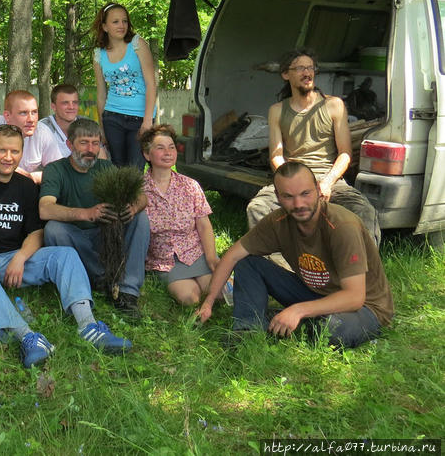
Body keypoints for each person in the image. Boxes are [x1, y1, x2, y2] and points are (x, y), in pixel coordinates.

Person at [0, 124, 132, 367]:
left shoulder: (25, 186)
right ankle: (27, 337)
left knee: (65, 255)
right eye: (2, 150)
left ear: (21, 154)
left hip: (13, 258)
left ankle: (88, 326)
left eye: (14, 151)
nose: (8, 157)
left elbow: (36, 232)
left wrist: (21, 257)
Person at [197, 162, 394, 349]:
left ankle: (291, 320)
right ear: (277, 196)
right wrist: (209, 302)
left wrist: (298, 310)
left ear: (318, 189)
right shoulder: (278, 222)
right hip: (315, 292)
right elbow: (233, 255)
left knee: (331, 331)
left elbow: (354, 297)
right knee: (248, 262)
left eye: (305, 193)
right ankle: (248, 329)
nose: (299, 204)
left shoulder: (342, 226)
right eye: (288, 196)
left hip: (364, 307)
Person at [246, 48, 381, 245]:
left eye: (310, 68)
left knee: (364, 211)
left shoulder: (334, 105)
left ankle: (360, 263)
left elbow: (345, 153)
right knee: (257, 209)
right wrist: (291, 182)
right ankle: (278, 262)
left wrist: (327, 182)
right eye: (300, 68)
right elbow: (276, 156)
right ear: (286, 74)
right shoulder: (277, 110)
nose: (307, 73)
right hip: (293, 179)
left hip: (328, 179)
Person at [39, 118, 151, 318]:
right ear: (69, 144)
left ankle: (127, 292)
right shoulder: (55, 170)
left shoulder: (106, 167)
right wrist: (86, 213)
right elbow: (45, 209)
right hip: (75, 240)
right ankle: (102, 279)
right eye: (84, 143)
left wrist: (133, 208)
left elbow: (142, 197)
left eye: (95, 143)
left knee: (140, 218)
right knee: (53, 229)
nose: (90, 150)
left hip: (105, 236)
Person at [141, 124, 218, 305]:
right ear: (147, 154)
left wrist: (211, 257)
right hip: (164, 260)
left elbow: (204, 225)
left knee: (220, 293)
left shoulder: (190, 185)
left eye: (172, 147)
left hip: (195, 252)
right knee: (191, 298)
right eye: (160, 148)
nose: (168, 153)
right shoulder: (138, 189)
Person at [93, 2, 157, 169]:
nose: (121, 25)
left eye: (124, 21)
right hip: (112, 118)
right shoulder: (99, 55)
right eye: (115, 22)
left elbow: (151, 84)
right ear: (105, 27)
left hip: (140, 119)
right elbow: (101, 94)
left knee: (134, 171)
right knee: (116, 169)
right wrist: (102, 128)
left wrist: (148, 121)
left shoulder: (137, 44)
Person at [38, 84, 80, 158]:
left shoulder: (88, 125)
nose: (71, 107)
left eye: (75, 102)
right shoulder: (41, 129)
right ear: (53, 107)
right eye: (65, 103)